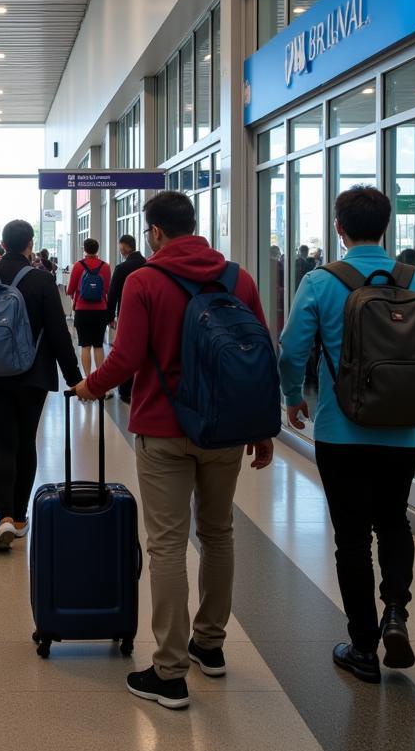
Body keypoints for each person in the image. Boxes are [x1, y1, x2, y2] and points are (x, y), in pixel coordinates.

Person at [73, 191, 274, 710]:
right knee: (219, 534)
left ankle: (169, 671)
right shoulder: (237, 278)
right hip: (226, 430)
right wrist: (262, 427)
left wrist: (89, 386)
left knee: (166, 544)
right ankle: (209, 645)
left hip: (165, 429)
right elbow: (259, 351)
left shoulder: (144, 280)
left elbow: (128, 358)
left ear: (156, 232)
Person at [279, 186, 415, 684]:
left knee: (351, 538)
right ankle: (395, 611)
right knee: (394, 522)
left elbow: (292, 350)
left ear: (339, 228)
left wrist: (293, 397)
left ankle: (362, 646)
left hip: (340, 431)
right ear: (387, 225)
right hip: (402, 431)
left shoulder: (319, 281)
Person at [0, 220, 82, 552]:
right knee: (26, 441)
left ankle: (1, 516)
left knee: (2, 441)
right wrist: (75, 380)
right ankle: (18, 518)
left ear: (2, 243)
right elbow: (59, 333)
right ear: (30, 244)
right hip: (33, 375)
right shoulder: (42, 279)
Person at [105, 233, 146, 404]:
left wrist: (110, 316)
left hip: (126, 314)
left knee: (125, 350)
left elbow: (112, 294)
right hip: (146, 314)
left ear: (124, 247)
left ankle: (125, 389)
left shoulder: (122, 268)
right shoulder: (147, 264)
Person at [67, 238, 112, 388]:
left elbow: (69, 290)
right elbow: (107, 289)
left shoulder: (78, 266)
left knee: (85, 345)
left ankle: (87, 381)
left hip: (82, 310)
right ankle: (100, 381)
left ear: (84, 249)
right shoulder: (105, 266)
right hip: (100, 311)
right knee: (98, 345)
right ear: (97, 249)